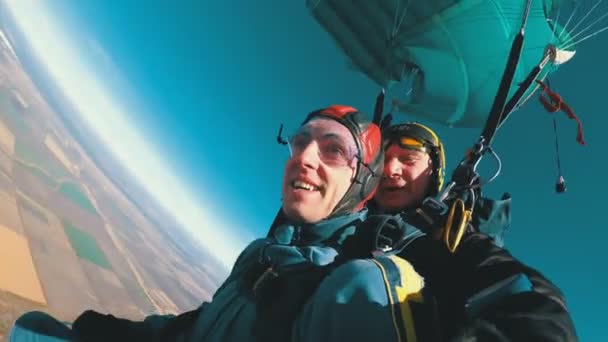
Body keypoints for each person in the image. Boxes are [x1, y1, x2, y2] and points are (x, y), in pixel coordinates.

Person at [9, 106, 437, 342]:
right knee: (31, 329)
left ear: (362, 182)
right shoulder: (260, 254)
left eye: (334, 150)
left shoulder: (357, 287)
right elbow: (198, 326)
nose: (304, 156)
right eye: (302, 140)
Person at [369, 122, 579, 341]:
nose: (389, 170)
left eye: (408, 160)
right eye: (381, 161)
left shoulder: (452, 237)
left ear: (433, 174)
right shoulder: (340, 226)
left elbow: (521, 289)